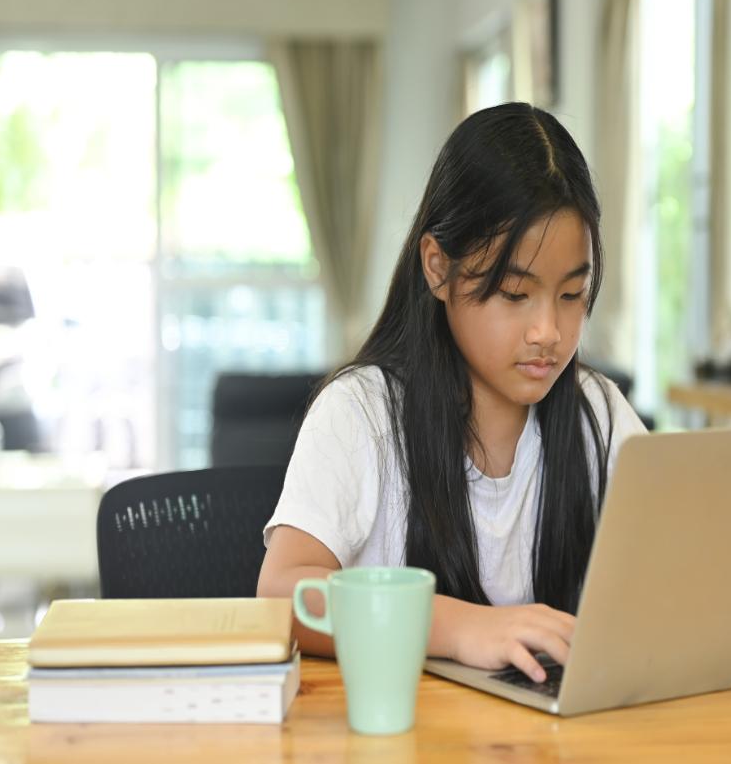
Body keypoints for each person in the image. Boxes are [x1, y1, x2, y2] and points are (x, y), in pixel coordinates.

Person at [257, 102, 646, 682]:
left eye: (571, 296)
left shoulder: (598, 412)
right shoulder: (362, 413)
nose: (549, 333)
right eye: (515, 294)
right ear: (438, 267)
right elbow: (282, 599)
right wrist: (460, 628)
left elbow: (677, 572)